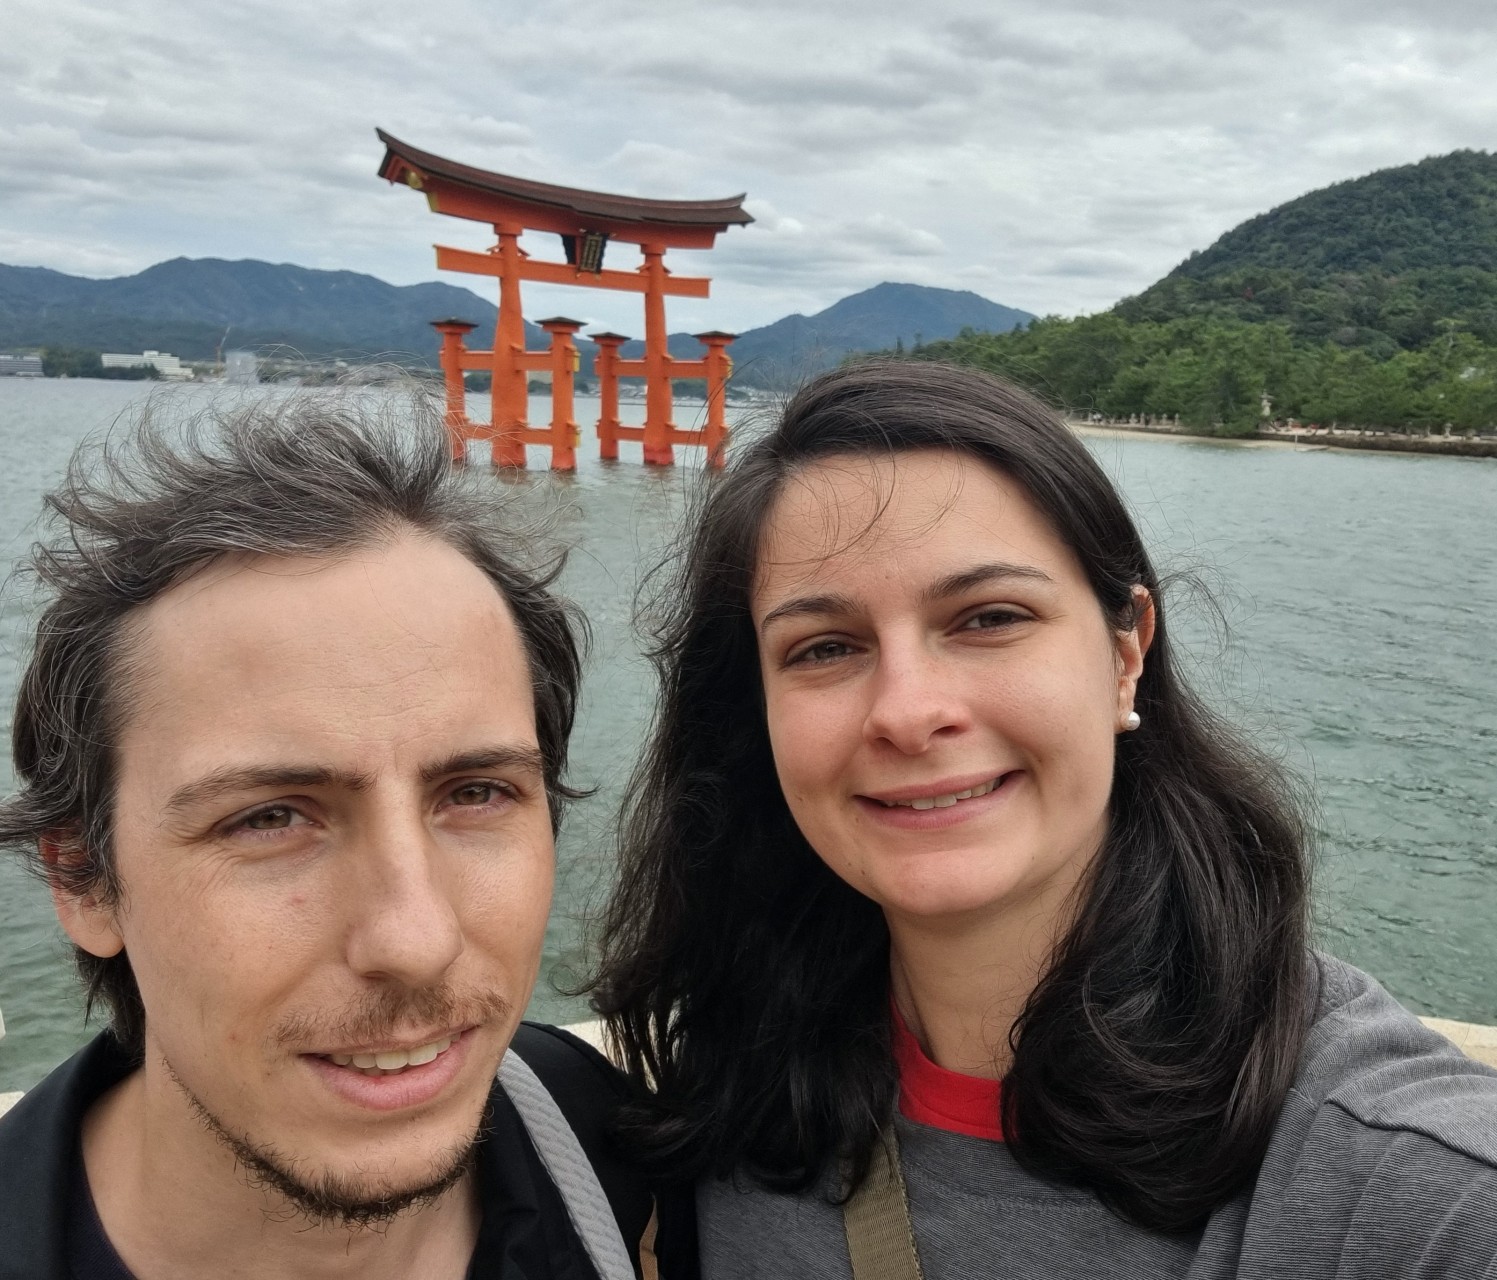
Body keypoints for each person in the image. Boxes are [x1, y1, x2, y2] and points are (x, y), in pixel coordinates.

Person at [590, 360, 1497, 1278]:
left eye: (988, 618)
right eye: (824, 647)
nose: (907, 711)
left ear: (1125, 652)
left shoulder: (1393, 1177)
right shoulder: (739, 1087)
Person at [0, 399, 660, 1279]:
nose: (415, 939)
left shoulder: (602, 1143)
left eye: (475, 793)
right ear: (84, 878)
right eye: (269, 817)